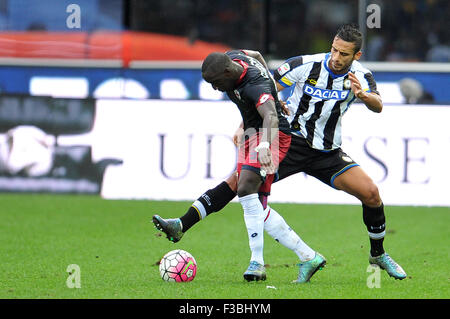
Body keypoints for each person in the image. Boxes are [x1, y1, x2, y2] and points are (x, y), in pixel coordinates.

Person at [154, 24, 407, 281]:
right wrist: (248, 123)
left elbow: (378, 105)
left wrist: (363, 95)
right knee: (238, 184)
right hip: (291, 142)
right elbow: (263, 87)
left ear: (357, 56)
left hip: (327, 151)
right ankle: (182, 224)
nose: (336, 57)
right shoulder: (304, 65)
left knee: (372, 194)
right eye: (334, 50)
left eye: (344, 54)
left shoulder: (362, 76)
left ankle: (377, 255)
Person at [199, 49, 295, 281]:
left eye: (215, 82)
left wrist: (263, 146)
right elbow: (257, 53)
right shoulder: (235, 57)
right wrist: (273, 92)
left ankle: (258, 263)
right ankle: (306, 256)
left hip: (270, 135)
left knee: (246, 190)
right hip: (253, 133)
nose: (215, 88)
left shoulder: (254, 86)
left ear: (227, 71)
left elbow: (270, 116)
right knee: (247, 193)